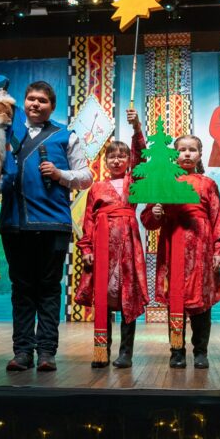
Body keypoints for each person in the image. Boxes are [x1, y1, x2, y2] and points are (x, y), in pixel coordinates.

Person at [1, 81, 92, 372]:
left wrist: (59, 174)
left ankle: (46, 352)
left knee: (49, 289)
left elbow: (86, 176)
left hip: (53, 223)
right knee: (22, 290)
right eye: (31, 99)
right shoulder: (7, 134)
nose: (35, 104)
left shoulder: (66, 135)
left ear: (52, 106)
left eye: (42, 100)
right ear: (24, 102)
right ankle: (22, 352)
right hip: (14, 223)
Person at [141, 135, 220, 369]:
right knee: (175, 299)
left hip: (201, 248)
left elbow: (216, 218)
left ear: (200, 155)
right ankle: (177, 351)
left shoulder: (208, 184)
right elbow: (148, 220)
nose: (187, 154)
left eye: (192, 150)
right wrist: (155, 214)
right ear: (174, 154)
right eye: (182, 150)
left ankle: (201, 352)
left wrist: (219, 250)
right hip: (173, 246)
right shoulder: (164, 181)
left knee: (201, 301)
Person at [75, 109, 148, 368]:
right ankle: (101, 351)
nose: (117, 160)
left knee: (128, 297)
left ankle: (126, 353)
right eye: (112, 157)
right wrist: (86, 249)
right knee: (103, 299)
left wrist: (136, 127)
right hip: (102, 247)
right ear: (105, 161)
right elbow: (88, 221)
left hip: (128, 246)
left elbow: (141, 156)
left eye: (122, 156)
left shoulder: (133, 182)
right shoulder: (96, 187)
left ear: (128, 160)